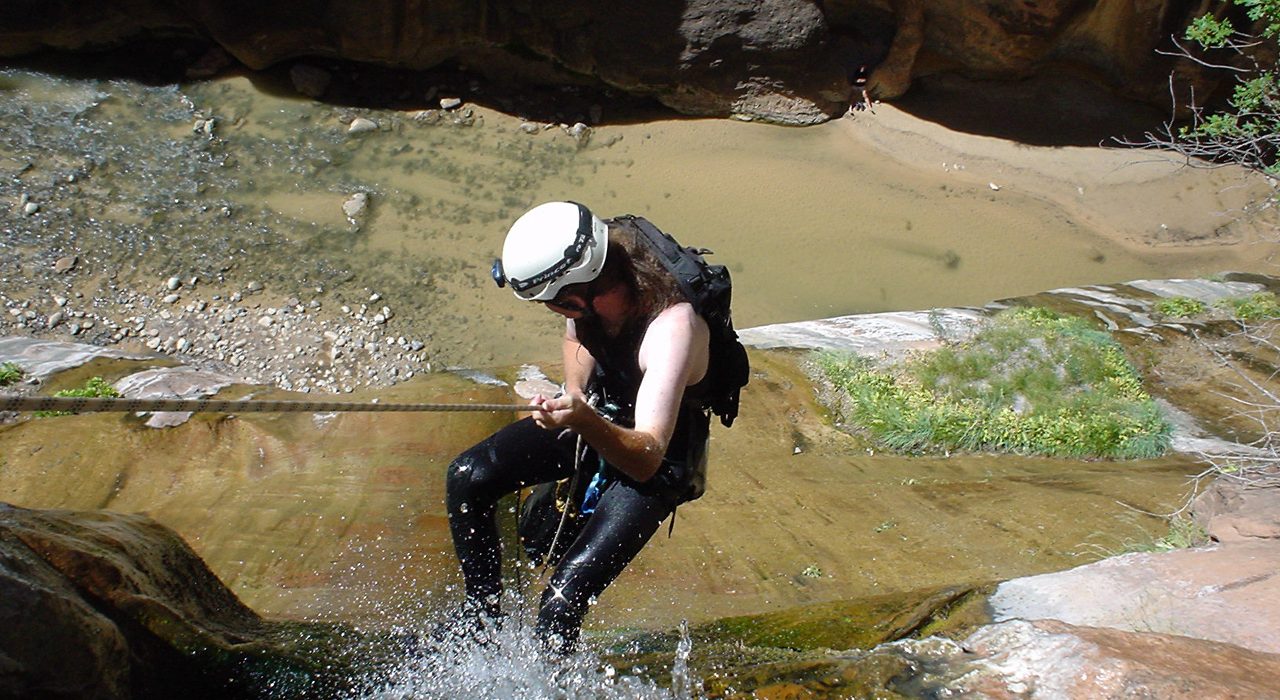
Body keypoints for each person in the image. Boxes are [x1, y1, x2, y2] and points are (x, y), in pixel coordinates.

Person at [445, 201, 714, 653]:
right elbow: (577, 336)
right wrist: (576, 394)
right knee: (469, 477)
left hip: (659, 456)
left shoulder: (671, 328)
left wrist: (585, 420)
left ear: (577, 295)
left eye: (555, 305)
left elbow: (646, 457)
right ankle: (482, 620)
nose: (557, 312)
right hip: (599, 413)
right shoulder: (592, 288)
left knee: (560, 604)